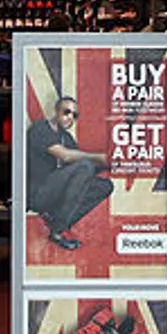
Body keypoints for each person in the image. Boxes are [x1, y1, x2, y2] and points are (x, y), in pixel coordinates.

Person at [26, 96, 113, 251]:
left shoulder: (66, 138)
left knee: (105, 186)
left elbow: (78, 170)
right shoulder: (40, 129)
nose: (70, 118)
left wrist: (109, 164)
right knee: (85, 166)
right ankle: (58, 232)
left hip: (54, 194)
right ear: (56, 111)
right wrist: (98, 157)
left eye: (74, 115)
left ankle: (58, 220)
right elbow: (65, 155)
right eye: (66, 112)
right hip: (37, 193)